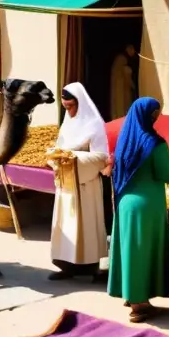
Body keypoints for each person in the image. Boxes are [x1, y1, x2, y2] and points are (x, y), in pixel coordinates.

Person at [108, 97, 169, 323]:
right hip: (147, 207)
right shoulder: (154, 143)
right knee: (142, 253)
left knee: (130, 250)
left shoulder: (125, 141)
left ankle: (131, 295)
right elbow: (166, 173)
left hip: (125, 204)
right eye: (156, 112)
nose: (157, 116)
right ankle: (139, 306)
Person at [48, 83, 110, 281]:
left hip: (85, 183)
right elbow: (59, 148)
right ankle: (66, 266)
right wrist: (55, 157)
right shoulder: (67, 124)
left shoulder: (94, 124)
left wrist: (72, 158)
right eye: (65, 107)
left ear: (80, 103)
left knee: (86, 225)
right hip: (66, 184)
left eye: (72, 106)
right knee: (66, 224)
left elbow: (101, 157)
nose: (69, 111)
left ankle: (93, 268)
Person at [110, 44, 138, 120]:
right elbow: (126, 73)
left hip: (120, 88)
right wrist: (133, 85)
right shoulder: (122, 59)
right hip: (122, 89)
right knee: (122, 107)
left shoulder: (120, 59)